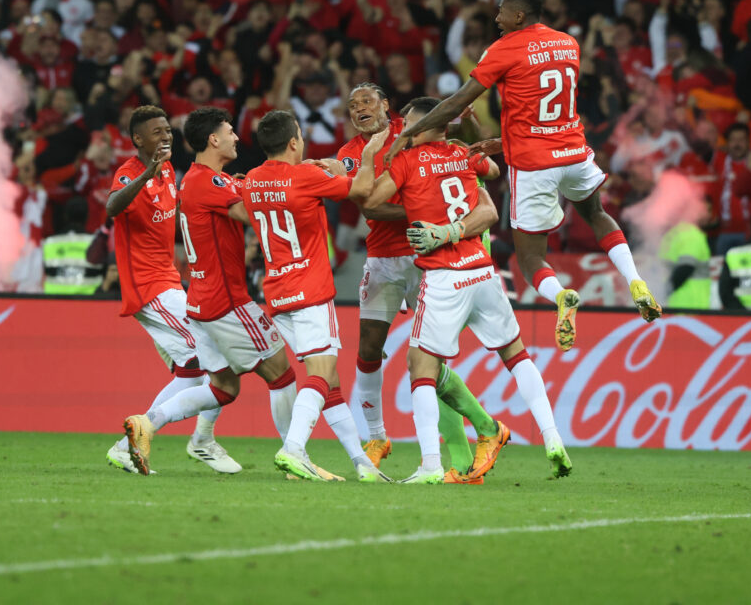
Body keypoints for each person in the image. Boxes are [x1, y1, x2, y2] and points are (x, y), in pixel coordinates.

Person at [385, 0, 661, 351]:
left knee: (530, 258)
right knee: (597, 215)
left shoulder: (503, 49)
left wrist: (409, 132)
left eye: (501, 11)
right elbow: (545, 108)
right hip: (575, 153)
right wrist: (503, 141)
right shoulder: (568, 44)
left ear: (518, 15)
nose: (496, 18)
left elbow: (456, 103)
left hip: (535, 166)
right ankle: (635, 280)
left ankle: (562, 296)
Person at [356, 97, 572, 483]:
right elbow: (490, 175)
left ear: (421, 128)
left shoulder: (406, 160)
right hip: (483, 270)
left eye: (406, 124)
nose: (400, 128)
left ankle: (430, 465)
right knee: (516, 356)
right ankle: (553, 439)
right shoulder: (460, 154)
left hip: (443, 274)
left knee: (421, 368)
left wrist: (380, 154)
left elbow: (369, 200)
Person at [337, 83, 504, 484]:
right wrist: (419, 207)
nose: (359, 108)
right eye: (352, 105)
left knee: (428, 359)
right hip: (381, 257)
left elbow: (469, 175)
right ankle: (377, 438)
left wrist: (428, 213)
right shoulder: (350, 155)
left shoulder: (412, 129)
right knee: (368, 347)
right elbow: (366, 203)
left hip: (427, 256)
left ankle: (463, 454)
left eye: (367, 101)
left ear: (386, 106)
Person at [122, 108, 298, 475]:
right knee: (282, 375)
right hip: (228, 300)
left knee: (222, 387)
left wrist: (244, 186)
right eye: (231, 132)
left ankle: (148, 424)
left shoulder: (197, 180)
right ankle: (294, 454)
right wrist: (281, 187)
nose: (237, 138)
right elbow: (250, 217)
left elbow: (229, 198)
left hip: (200, 300)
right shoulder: (208, 183)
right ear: (214, 139)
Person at [240, 109, 389, 483]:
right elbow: (362, 190)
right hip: (309, 289)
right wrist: (365, 157)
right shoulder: (306, 175)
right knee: (320, 377)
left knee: (331, 383)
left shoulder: (253, 180)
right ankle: (293, 450)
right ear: (294, 142)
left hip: (276, 293)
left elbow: (274, 189)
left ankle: (362, 464)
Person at [104, 105, 239, 475]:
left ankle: (129, 442)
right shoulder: (132, 172)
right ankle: (203, 441)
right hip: (150, 289)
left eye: (167, 130)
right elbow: (112, 206)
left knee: (192, 372)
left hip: (169, 282)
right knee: (217, 357)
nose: (166, 136)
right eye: (157, 132)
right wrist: (146, 171)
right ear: (137, 139)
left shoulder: (167, 171)